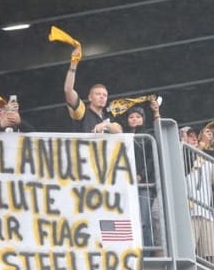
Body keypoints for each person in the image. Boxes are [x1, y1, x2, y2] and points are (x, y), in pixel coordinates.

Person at [121, 101, 160, 248]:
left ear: (143, 118)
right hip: (127, 183)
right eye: (131, 117)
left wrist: (141, 175)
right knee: (128, 220)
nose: (134, 119)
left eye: (138, 116)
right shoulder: (122, 135)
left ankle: (146, 253)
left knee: (144, 221)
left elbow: (151, 160)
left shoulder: (148, 136)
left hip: (144, 184)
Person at [63, 46, 122, 134]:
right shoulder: (83, 112)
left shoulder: (107, 116)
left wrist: (105, 125)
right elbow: (68, 90)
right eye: (98, 94)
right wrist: (74, 63)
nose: (102, 97)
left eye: (105, 95)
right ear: (90, 97)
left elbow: (119, 131)